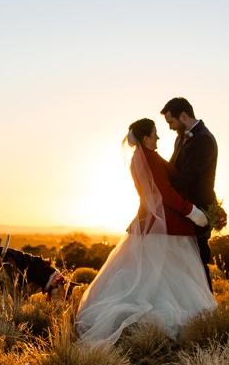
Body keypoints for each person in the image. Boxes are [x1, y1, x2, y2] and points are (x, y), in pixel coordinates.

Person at [74, 118, 217, 345]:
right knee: (170, 279)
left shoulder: (136, 159)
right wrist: (193, 212)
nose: (158, 138)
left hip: (146, 225)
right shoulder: (149, 158)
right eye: (155, 134)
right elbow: (165, 193)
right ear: (145, 138)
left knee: (154, 278)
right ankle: (155, 325)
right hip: (165, 228)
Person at [161, 97, 225, 287]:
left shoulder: (204, 139)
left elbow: (188, 176)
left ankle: (208, 309)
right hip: (184, 208)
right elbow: (174, 168)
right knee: (184, 263)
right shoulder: (182, 137)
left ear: (183, 116)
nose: (171, 127)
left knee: (198, 261)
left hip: (199, 208)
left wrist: (164, 191)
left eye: (171, 122)